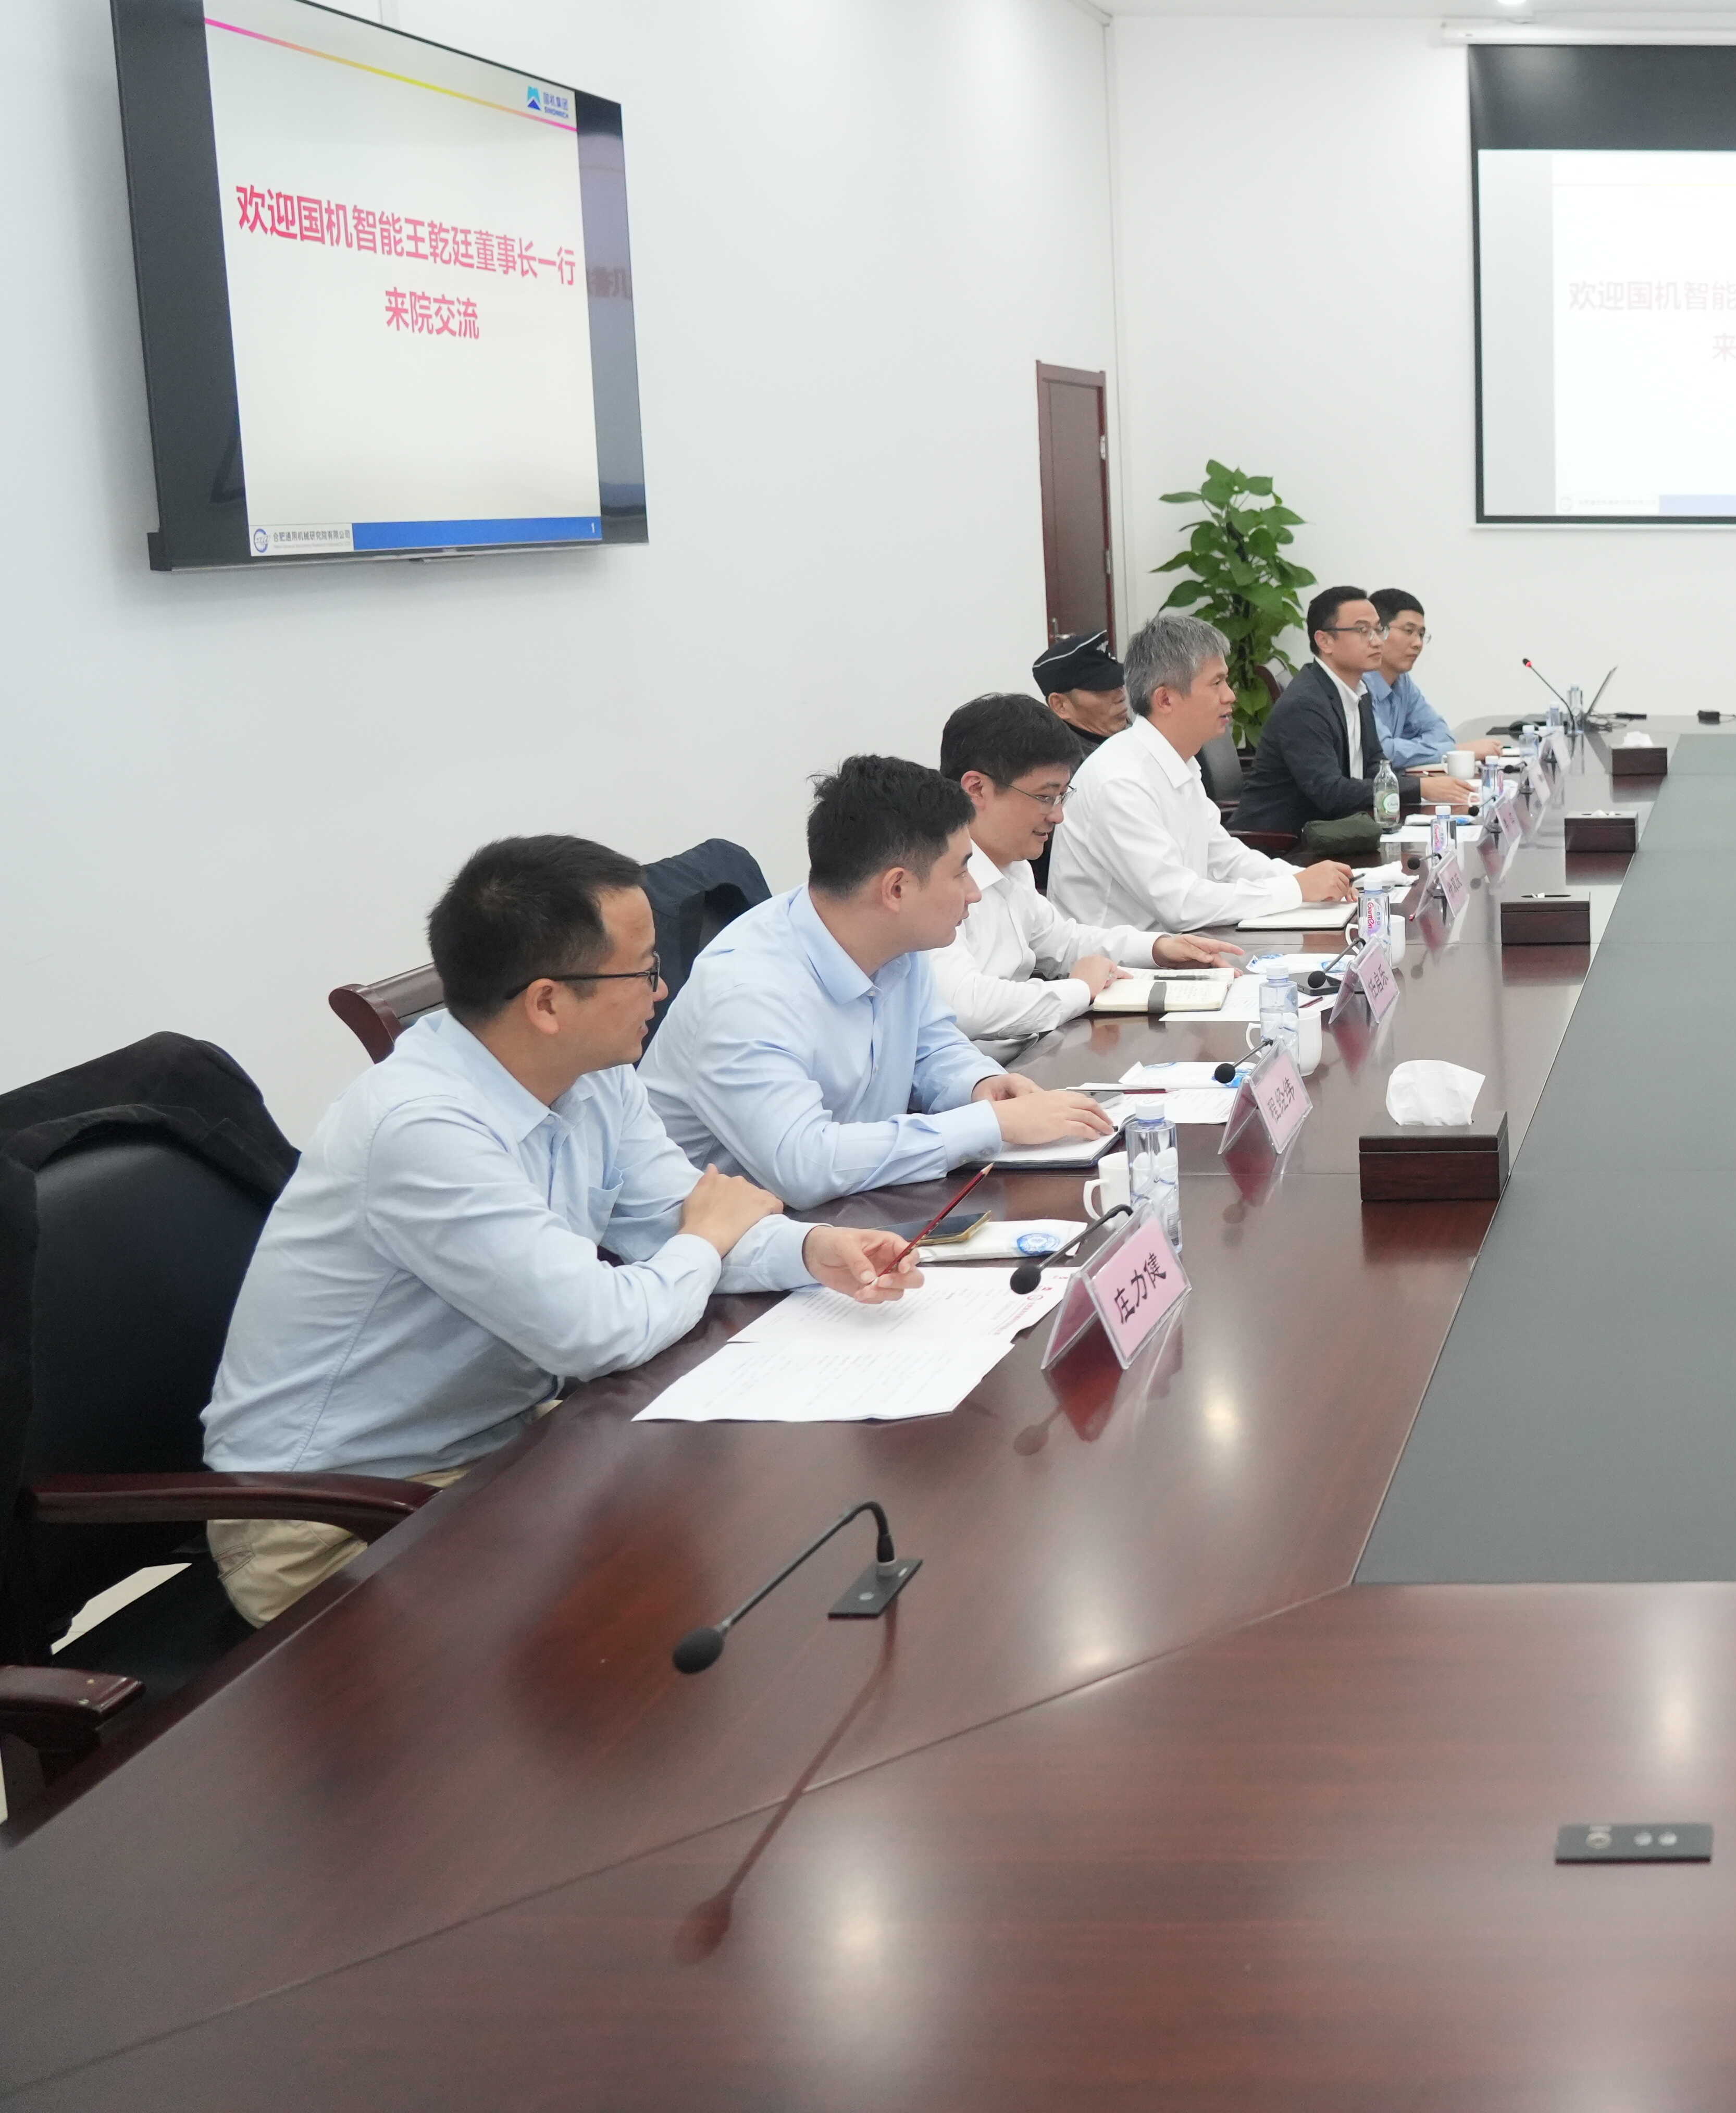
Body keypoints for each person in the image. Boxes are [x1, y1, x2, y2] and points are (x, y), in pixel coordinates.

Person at [200, 837, 922, 1624]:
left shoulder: (595, 1074)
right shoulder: (421, 1129)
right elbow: (602, 1327)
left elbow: (680, 1216)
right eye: (643, 970)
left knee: (746, 1535)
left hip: (497, 1450)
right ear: (547, 1003)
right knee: (655, 1619)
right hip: (331, 1519)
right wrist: (706, 1240)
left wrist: (813, 1252)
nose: (662, 988)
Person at [646, 757, 1110, 1203]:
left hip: (852, 1209)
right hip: (734, 1242)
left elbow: (931, 1045)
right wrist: (991, 1124)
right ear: (896, 889)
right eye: (961, 872)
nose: (973, 893)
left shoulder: (890, 938)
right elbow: (806, 1165)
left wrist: (981, 1085)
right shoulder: (747, 993)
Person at [932, 695, 1243, 1045]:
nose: (1058, 815)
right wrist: (1080, 989)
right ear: (977, 789)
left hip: (1031, 1053)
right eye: (1045, 797)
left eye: (1062, 796)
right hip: (984, 1069)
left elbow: (1064, 942)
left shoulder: (1011, 865)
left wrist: (1159, 949)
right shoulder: (929, 878)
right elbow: (966, 1007)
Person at [1046, 612, 1356, 928]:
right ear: (1165, 699)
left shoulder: (1178, 760)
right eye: (1217, 683)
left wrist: (1307, 879)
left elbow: (1225, 860)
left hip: (1175, 944)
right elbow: (1179, 904)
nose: (1230, 695)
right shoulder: (1119, 781)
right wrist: (1295, 889)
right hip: (1120, 955)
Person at [1233, 586, 1478, 861]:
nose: (1377, 641)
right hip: (1280, 849)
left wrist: (1419, 787)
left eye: (1379, 630)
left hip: (1334, 834)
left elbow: (1375, 767)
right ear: (1325, 641)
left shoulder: (1358, 692)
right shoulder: (1305, 704)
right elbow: (1330, 792)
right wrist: (1421, 788)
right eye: (1363, 631)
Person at [1368, 588, 1504, 771]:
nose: (1418, 643)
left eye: (1421, 634)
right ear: (1379, 631)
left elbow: (1441, 733)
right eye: (1409, 631)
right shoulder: (1360, 685)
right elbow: (1385, 752)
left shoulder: (1403, 682)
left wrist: (1409, 749)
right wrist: (1457, 751)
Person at [1032, 631, 1131, 750]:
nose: (1121, 695)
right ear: (1060, 706)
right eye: (1103, 687)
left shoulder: (1131, 738)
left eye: (1119, 682)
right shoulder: (1062, 761)